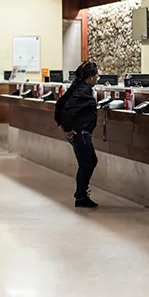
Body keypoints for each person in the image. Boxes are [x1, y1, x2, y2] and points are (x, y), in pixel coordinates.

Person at [54, 61, 100, 209]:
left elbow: (59, 105)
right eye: (96, 76)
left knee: (91, 161)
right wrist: (66, 127)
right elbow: (66, 110)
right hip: (81, 132)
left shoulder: (77, 88)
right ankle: (81, 196)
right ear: (90, 78)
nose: (97, 79)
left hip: (80, 132)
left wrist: (60, 124)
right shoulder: (83, 92)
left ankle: (82, 194)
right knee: (86, 164)